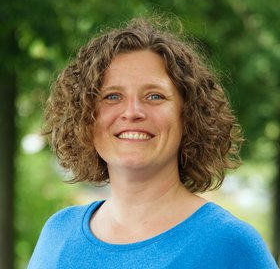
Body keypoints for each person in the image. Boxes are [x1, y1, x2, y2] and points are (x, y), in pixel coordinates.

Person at [28, 17, 278, 268]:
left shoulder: (230, 245)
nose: (133, 111)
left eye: (154, 96)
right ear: (86, 117)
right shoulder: (58, 234)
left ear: (188, 115)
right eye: (112, 96)